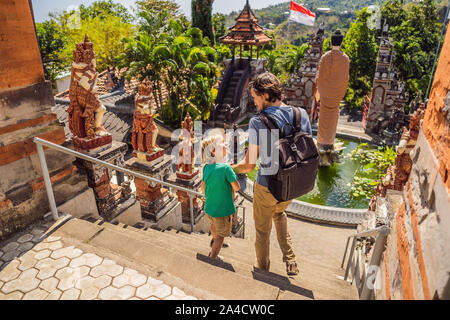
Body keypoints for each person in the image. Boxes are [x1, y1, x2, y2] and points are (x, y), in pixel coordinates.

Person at [232, 72, 312, 276]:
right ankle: (290, 259)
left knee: (262, 232)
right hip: (292, 185)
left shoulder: (258, 121)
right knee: (279, 213)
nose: (254, 102)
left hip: (267, 186)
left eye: (255, 97)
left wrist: (227, 169)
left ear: (265, 93)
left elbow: (249, 165)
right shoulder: (300, 114)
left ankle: (262, 270)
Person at [201, 135, 241, 259]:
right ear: (213, 151)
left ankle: (213, 240)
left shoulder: (207, 167)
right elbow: (237, 187)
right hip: (222, 210)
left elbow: (203, 187)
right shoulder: (226, 168)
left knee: (214, 226)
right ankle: (213, 257)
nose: (225, 144)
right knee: (221, 236)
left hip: (209, 208)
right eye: (222, 143)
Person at [315, 29, 350, 153]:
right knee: (333, 117)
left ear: (331, 43)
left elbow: (320, 76)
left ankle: (321, 142)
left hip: (325, 92)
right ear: (341, 43)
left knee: (323, 117)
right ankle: (329, 143)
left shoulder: (325, 57)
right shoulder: (345, 58)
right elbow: (345, 78)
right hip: (336, 94)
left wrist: (319, 91)